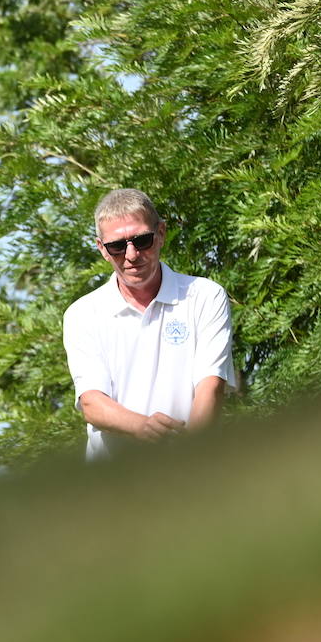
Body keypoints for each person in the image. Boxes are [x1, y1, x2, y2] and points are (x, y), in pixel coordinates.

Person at [62, 188, 236, 460]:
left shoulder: (204, 296)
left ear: (162, 234)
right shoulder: (83, 314)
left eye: (142, 240)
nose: (131, 255)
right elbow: (92, 403)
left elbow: (210, 388)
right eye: (117, 246)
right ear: (102, 250)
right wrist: (144, 428)